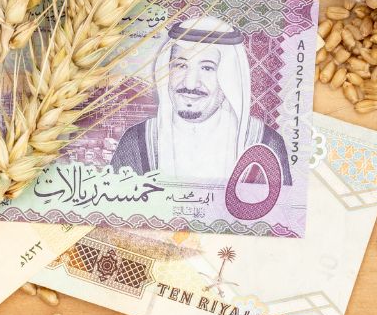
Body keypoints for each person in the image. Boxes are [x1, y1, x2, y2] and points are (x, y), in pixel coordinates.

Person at [107, 15, 291, 187]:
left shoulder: (265, 144)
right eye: (181, 65)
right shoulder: (138, 141)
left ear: (229, 78)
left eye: (207, 68)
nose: (190, 83)